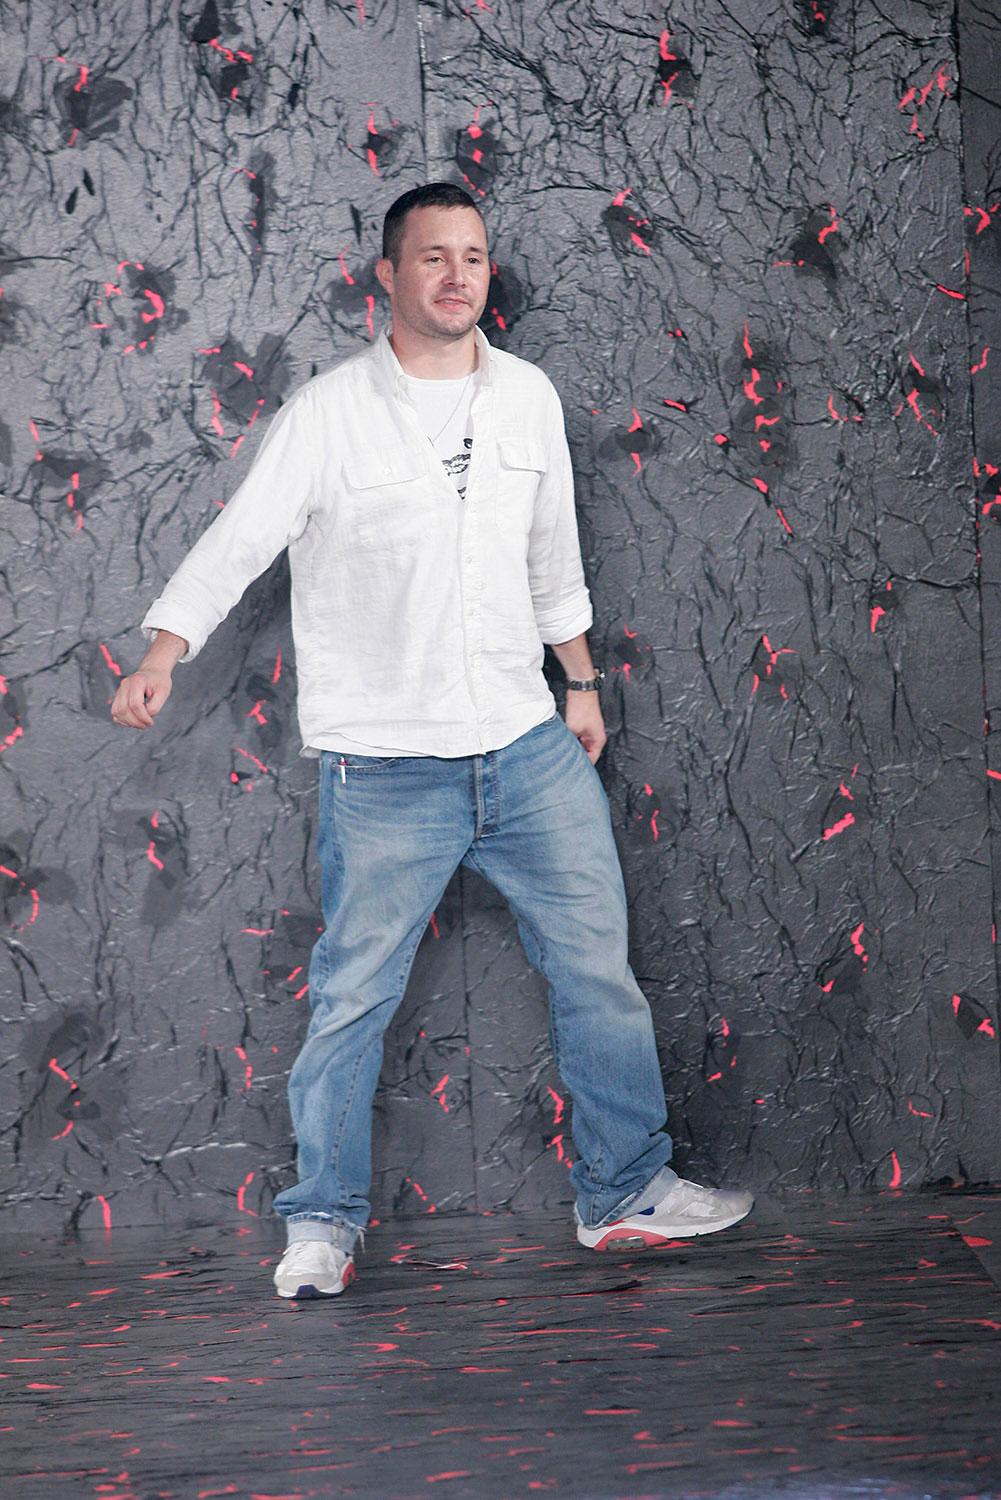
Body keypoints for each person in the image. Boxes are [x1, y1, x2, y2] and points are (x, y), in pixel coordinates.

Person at [111, 183, 753, 1299]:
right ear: (388, 275)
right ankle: (321, 1223)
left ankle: (620, 1194)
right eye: (432, 257)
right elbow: (239, 541)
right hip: (384, 768)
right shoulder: (326, 414)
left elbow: (551, 555)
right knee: (351, 997)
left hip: (524, 745)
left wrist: (580, 684)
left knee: (598, 974)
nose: (457, 276)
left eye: (473, 256)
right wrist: (163, 653)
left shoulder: (527, 398)